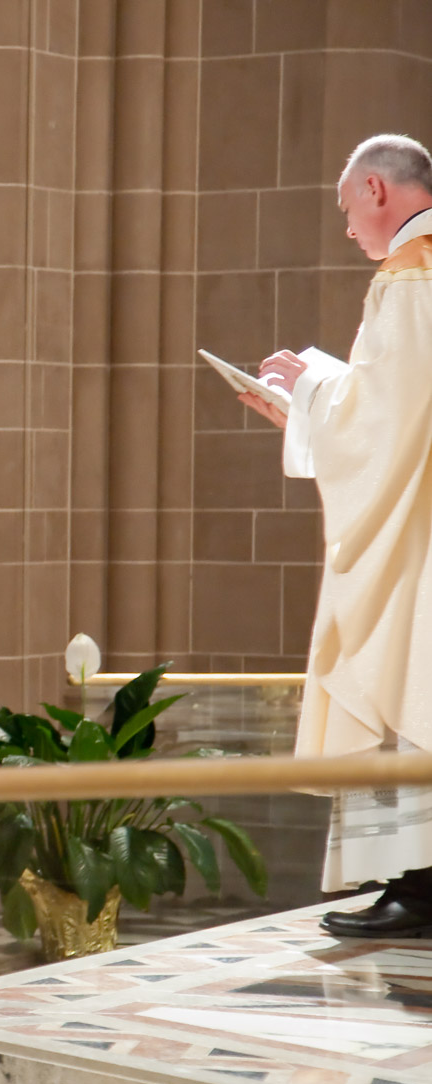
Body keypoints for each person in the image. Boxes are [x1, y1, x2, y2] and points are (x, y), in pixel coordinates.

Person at [243, 134, 432, 938]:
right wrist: (312, 397)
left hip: (419, 542)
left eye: (348, 205)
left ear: (377, 190)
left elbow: (389, 419)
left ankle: (421, 890)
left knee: (406, 684)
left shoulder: (413, 275)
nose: (348, 225)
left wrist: (307, 393)